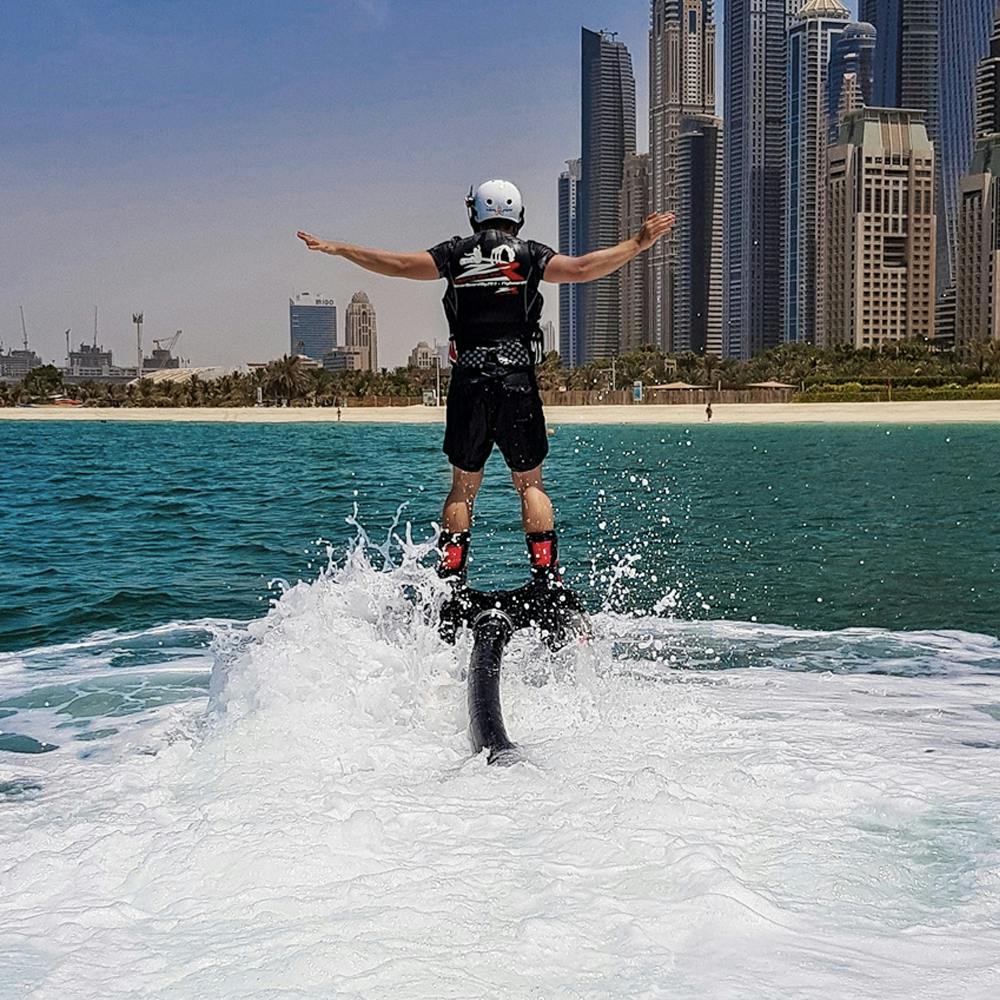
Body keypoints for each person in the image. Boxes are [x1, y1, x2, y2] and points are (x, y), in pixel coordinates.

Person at [298, 180, 674, 588]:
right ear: (519, 216)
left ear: (473, 214)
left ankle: (452, 581)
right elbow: (583, 269)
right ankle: (546, 580)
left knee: (462, 489)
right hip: (516, 378)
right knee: (531, 484)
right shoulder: (531, 255)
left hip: (470, 379)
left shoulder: (454, 254)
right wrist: (638, 242)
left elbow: (400, 265)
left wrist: (341, 248)